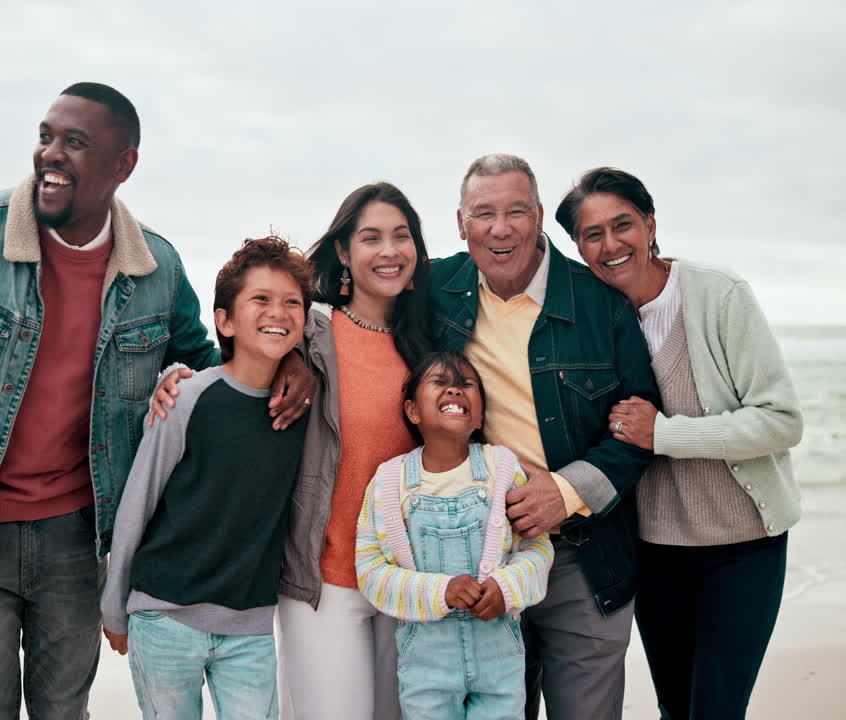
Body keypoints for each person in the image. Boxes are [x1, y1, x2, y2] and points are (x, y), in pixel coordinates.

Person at [0, 83, 310, 719]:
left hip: (78, 537)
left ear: (122, 163)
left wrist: (291, 358)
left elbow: (213, 361)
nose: (51, 154)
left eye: (74, 143)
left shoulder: (155, 267)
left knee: (64, 710)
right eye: (45, 137)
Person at [555, 167, 803, 720]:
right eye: (592, 234)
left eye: (623, 225)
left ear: (650, 225)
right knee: (675, 708)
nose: (611, 244)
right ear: (578, 248)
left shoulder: (718, 294)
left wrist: (664, 434)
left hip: (744, 545)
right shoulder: (590, 318)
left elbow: (781, 421)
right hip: (653, 550)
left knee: (716, 710)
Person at [428, 154, 660, 720]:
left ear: (537, 216)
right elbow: (340, 294)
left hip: (584, 556)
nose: (500, 229)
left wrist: (566, 490)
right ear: (460, 223)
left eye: (515, 212)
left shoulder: (600, 303)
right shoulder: (434, 289)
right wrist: (299, 364)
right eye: (483, 214)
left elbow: (640, 429)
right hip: (479, 557)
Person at [100, 236, 313, 720]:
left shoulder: (300, 409)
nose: (277, 312)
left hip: (250, 626)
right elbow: (138, 503)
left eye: (291, 303)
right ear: (225, 321)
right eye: (260, 298)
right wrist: (115, 605)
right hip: (165, 617)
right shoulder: (185, 397)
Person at [277, 182, 434, 720]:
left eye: (401, 236)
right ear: (343, 252)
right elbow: (235, 370)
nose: (389, 251)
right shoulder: (309, 334)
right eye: (371, 238)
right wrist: (177, 376)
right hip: (325, 580)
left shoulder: (429, 343)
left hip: (407, 579)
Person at [355, 350, 553, 720]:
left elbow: (537, 548)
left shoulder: (502, 468)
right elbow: (370, 571)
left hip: (500, 661)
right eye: (440, 383)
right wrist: (440, 591)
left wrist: (507, 588)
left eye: (466, 385)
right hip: (426, 666)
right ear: (413, 410)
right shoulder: (389, 482)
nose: (455, 390)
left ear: (479, 415)